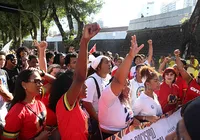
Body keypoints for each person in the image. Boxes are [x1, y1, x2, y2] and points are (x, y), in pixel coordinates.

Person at [53, 23, 100, 140]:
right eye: (82, 85)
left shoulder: (77, 105)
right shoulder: (66, 103)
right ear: (70, 88)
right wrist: (84, 42)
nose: (86, 86)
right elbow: (79, 78)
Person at [98, 35, 143, 139]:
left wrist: (132, 120)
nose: (128, 87)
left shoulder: (125, 98)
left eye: (128, 84)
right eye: (125, 84)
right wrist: (130, 56)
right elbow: (118, 81)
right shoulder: (108, 96)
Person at [1, 69, 50, 140]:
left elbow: (55, 82)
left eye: (41, 81)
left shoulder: (39, 101)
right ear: (24, 85)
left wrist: (43, 73)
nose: (41, 84)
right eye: (37, 81)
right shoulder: (17, 111)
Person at [82, 55, 111, 136]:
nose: (110, 64)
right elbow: (86, 103)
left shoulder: (109, 77)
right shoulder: (91, 81)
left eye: (109, 62)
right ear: (98, 67)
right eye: (106, 62)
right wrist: (98, 119)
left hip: (106, 119)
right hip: (94, 121)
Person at [0, 51, 13, 134]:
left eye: (4, 60)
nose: (2, 62)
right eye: (0, 59)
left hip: (4, 106)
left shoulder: (4, 72)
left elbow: (6, 87)